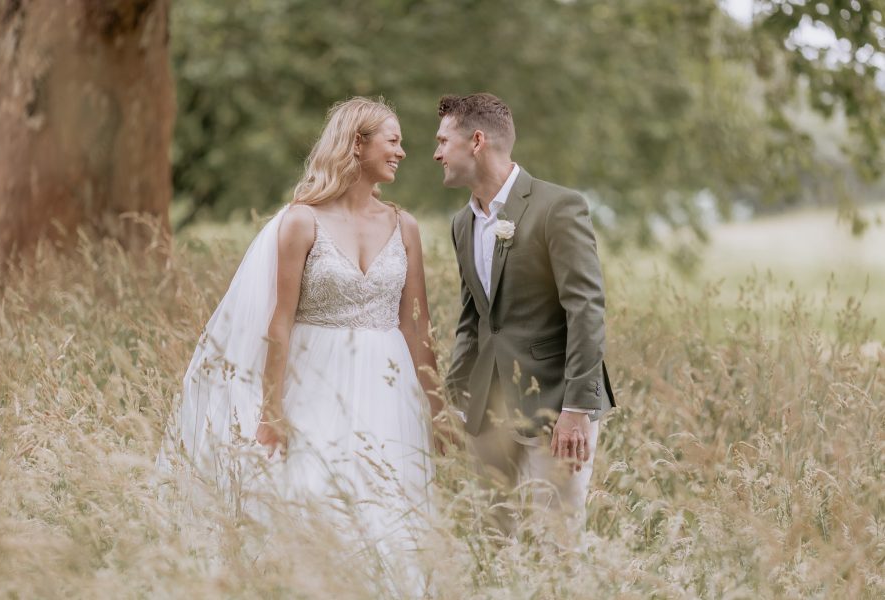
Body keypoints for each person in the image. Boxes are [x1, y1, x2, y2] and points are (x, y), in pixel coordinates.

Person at [157, 98, 440, 590]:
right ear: (358, 143)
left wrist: (437, 408)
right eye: (393, 141)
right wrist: (271, 410)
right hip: (314, 379)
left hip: (387, 386)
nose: (403, 151)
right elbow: (279, 322)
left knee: (387, 508)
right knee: (310, 496)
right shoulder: (301, 221)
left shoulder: (405, 226)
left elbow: (417, 326)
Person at [434, 93, 615, 539]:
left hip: (555, 410)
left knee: (556, 549)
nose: (436, 153)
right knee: (491, 544)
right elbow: (473, 319)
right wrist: (456, 402)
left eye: (442, 141)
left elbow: (585, 308)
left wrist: (576, 409)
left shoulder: (558, 206)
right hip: (487, 415)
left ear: (476, 141)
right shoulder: (462, 223)